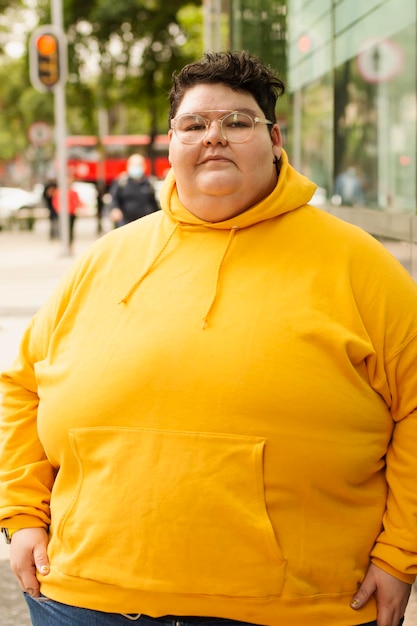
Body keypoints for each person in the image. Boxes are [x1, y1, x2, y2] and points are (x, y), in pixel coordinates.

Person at [0, 51, 416, 626]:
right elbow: (20, 387)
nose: (213, 136)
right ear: (171, 145)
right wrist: (21, 515)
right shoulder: (106, 258)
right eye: (193, 125)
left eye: (236, 122)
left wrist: (399, 555)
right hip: (81, 597)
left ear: (274, 138)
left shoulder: (359, 265)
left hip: (291, 609)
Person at [109, 153, 159, 226]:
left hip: (146, 225)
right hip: (126, 224)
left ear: (144, 166)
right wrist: (115, 209)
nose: (136, 167)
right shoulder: (121, 182)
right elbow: (114, 199)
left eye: (139, 164)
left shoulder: (149, 183)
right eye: (133, 164)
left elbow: (154, 204)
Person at [51, 177, 83, 251]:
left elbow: (78, 201)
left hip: (71, 213)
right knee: (63, 229)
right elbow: (55, 202)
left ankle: (70, 244)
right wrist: (58, 210)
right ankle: (65, 244)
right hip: (63, 213)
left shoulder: (72, 192)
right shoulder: (59, 192)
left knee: (70, 229)